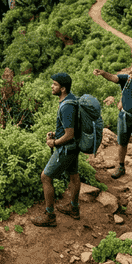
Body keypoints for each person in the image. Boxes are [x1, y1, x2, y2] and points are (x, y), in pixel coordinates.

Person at [93, 59, 132, 185]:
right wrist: (103, 73)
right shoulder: (126, 79)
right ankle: (121, 167)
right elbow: (113, 78)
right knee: (122, 143)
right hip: (124, 116)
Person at [31, 72, 81, 226]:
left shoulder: (66, 106)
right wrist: (55, 133)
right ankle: (74, 209)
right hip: (74, 147)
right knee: (73, 175)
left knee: (45, 177)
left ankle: (50, 216)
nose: (52, 86)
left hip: (66, 148)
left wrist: (54, 142)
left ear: (63, 88)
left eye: (55, 84)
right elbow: (71, 127)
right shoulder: (72, 99)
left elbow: (69, 134)